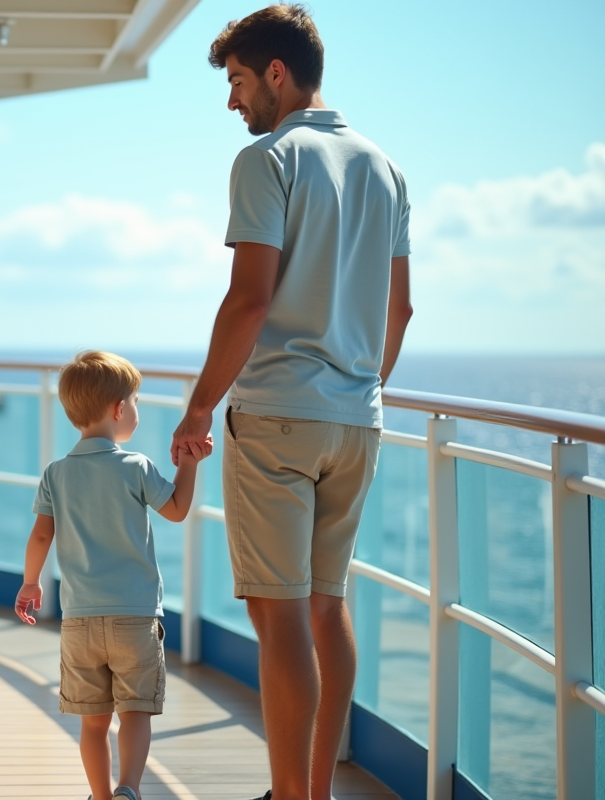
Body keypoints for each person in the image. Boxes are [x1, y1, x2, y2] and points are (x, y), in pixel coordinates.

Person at [169, 5, 414, 800]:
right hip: (356, 420)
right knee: (326, 605)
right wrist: (358, 388)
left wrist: (201, 405)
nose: (232, 102)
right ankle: (311, 788)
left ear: (277, 72)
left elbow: (248, 301)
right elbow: (399, 311)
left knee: (279, 618)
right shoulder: (384, 166)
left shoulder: (268, 160)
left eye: (238, 82)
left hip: (275, 417)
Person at [14, 350, 206, 800]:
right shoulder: (135, 467)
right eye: (135, 401)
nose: (136, 410)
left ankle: (101, 796)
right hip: (135, 618)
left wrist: (30, 582)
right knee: (135, 712)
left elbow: (41, 538)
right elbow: (176, 511)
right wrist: (190, 463)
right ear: (119, 409)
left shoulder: (56, 473)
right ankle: (130, 789)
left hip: (79, 620)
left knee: (93, 721)